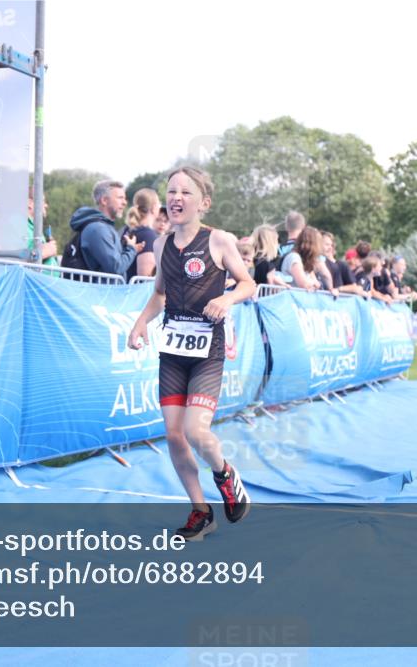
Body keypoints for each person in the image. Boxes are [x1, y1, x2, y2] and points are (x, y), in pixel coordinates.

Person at [127, 167, 256, 541]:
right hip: (173, 351)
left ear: (204, 202)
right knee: (173, 434)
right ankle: (200, 512)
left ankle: (225, 474)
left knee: (195, 431)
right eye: (171, 192)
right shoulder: (161, 244)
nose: (176, 198)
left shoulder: (218, 241)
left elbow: (249, 283)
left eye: (186, 192)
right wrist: (140, 324)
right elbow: (159, 294)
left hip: (207, 351)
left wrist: (227, 296)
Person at [62, 180, 142, 277]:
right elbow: (116, 268)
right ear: (104, 200)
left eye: (124, 198)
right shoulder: (98, 229)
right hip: (100, 291)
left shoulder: (103, 227)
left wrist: (127, 249)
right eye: (120, 198)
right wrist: (131, 249)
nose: (125, 202)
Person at [281, 227, 338, 295]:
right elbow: (303, 284)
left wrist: (330, 288)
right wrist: (315, 283)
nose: (319, 247)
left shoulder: (306, 261)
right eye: (318, 243)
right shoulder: (294, 257)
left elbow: (317, 280)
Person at [124, 188, 162, 281]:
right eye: (159, 203)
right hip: (136, 294)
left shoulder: (129, 230)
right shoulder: (147, 235)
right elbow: (145, 277)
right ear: (153, 208)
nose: (160, 206)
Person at [322, 232, 367, 297]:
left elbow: (355, 287)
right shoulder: (316, 262)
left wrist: (338, 289)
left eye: (331, 245)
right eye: (327, 244)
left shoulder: (341, 265)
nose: (330, 247)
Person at [27, 194, 58, 264]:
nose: (46, 205)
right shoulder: (19, 224)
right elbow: (16, 258)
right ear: (30, 204)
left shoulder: (34, 226)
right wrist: (45, 252)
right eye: (43, 201)